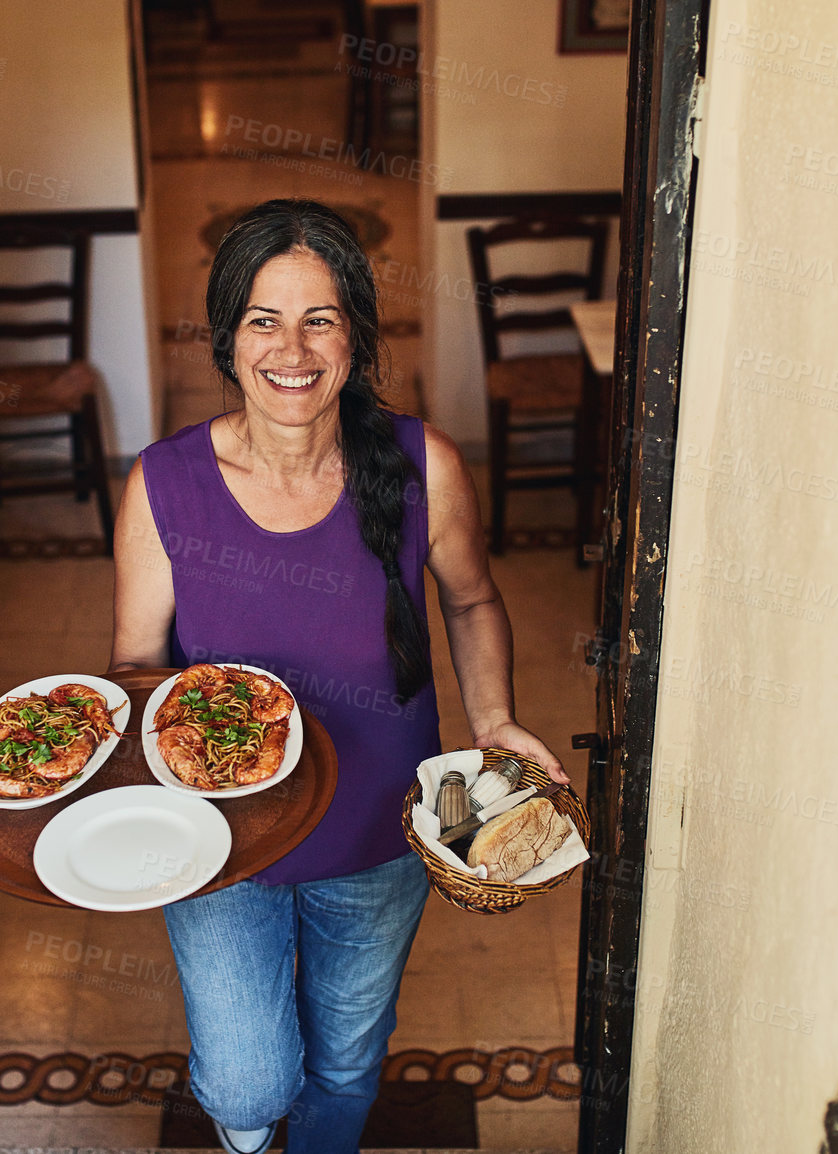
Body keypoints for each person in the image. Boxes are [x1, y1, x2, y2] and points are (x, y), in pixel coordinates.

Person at [109, 198, 568, 1154]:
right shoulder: (163, 484)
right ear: (227, 340)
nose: (294, 348)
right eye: (264, 320)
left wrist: (495, 720)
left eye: (320, 318)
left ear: (356, 335)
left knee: (348, 1062)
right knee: (246, 1081)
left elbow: (474, 599)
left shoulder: (421, 466)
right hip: (218, 838)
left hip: (375, 828)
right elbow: (136, 666)